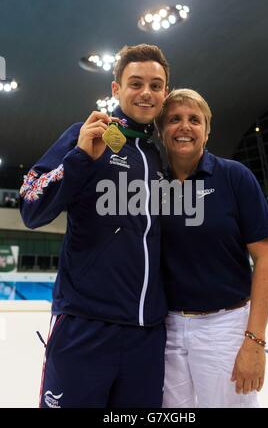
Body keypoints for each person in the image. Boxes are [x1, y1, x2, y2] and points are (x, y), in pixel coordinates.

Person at [20, 44, 169, 408]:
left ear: (165, 92)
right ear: (116, 89)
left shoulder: (161, 155)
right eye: (136, 83)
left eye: (156, 84)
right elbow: (31, 207)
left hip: (146, 336)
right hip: (85, 326)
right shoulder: (85, 134)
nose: (146, 92)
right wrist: (81, 157)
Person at [155, 89, 268, 408]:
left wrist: (255, 340)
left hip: (223, 327)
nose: (184, 126)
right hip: (165, 328)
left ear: (207, 131)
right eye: (174, 119)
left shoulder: (234, 178)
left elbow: (265, 258)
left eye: (194, 120)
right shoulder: (151, 185)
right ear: (160, 130)